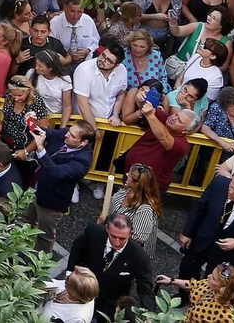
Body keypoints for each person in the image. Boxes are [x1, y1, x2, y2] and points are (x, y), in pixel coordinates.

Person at [63, 213, 156, 320]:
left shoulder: (139, 256)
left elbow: (145, 290)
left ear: (130, 234)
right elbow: (77, 248)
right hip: (81, 294)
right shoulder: (93, 233)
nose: (117, 242)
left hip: (109, 306)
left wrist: (150, 317)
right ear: (107, 229)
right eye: (113, 236)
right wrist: (69, 274)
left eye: (122, 239)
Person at [23, 120, 95, 252]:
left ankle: (39, 263)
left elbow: (55, 172)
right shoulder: (67, 134)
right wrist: (30, 121)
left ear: (83, 143)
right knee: (26, 218)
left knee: (45, 235)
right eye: (68, 131)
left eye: (72, 136)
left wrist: (40, 149)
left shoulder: (83, 162)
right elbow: (47, 133)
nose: (66, 135)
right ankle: (21, 245)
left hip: (51, 202)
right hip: (36, 186)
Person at [153, 264, 234, 323]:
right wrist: (171, 281)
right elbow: (194, 285)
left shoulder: (226, 317)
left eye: (213, 278)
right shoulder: (210, 285)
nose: (208, 276)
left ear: (223, 289)